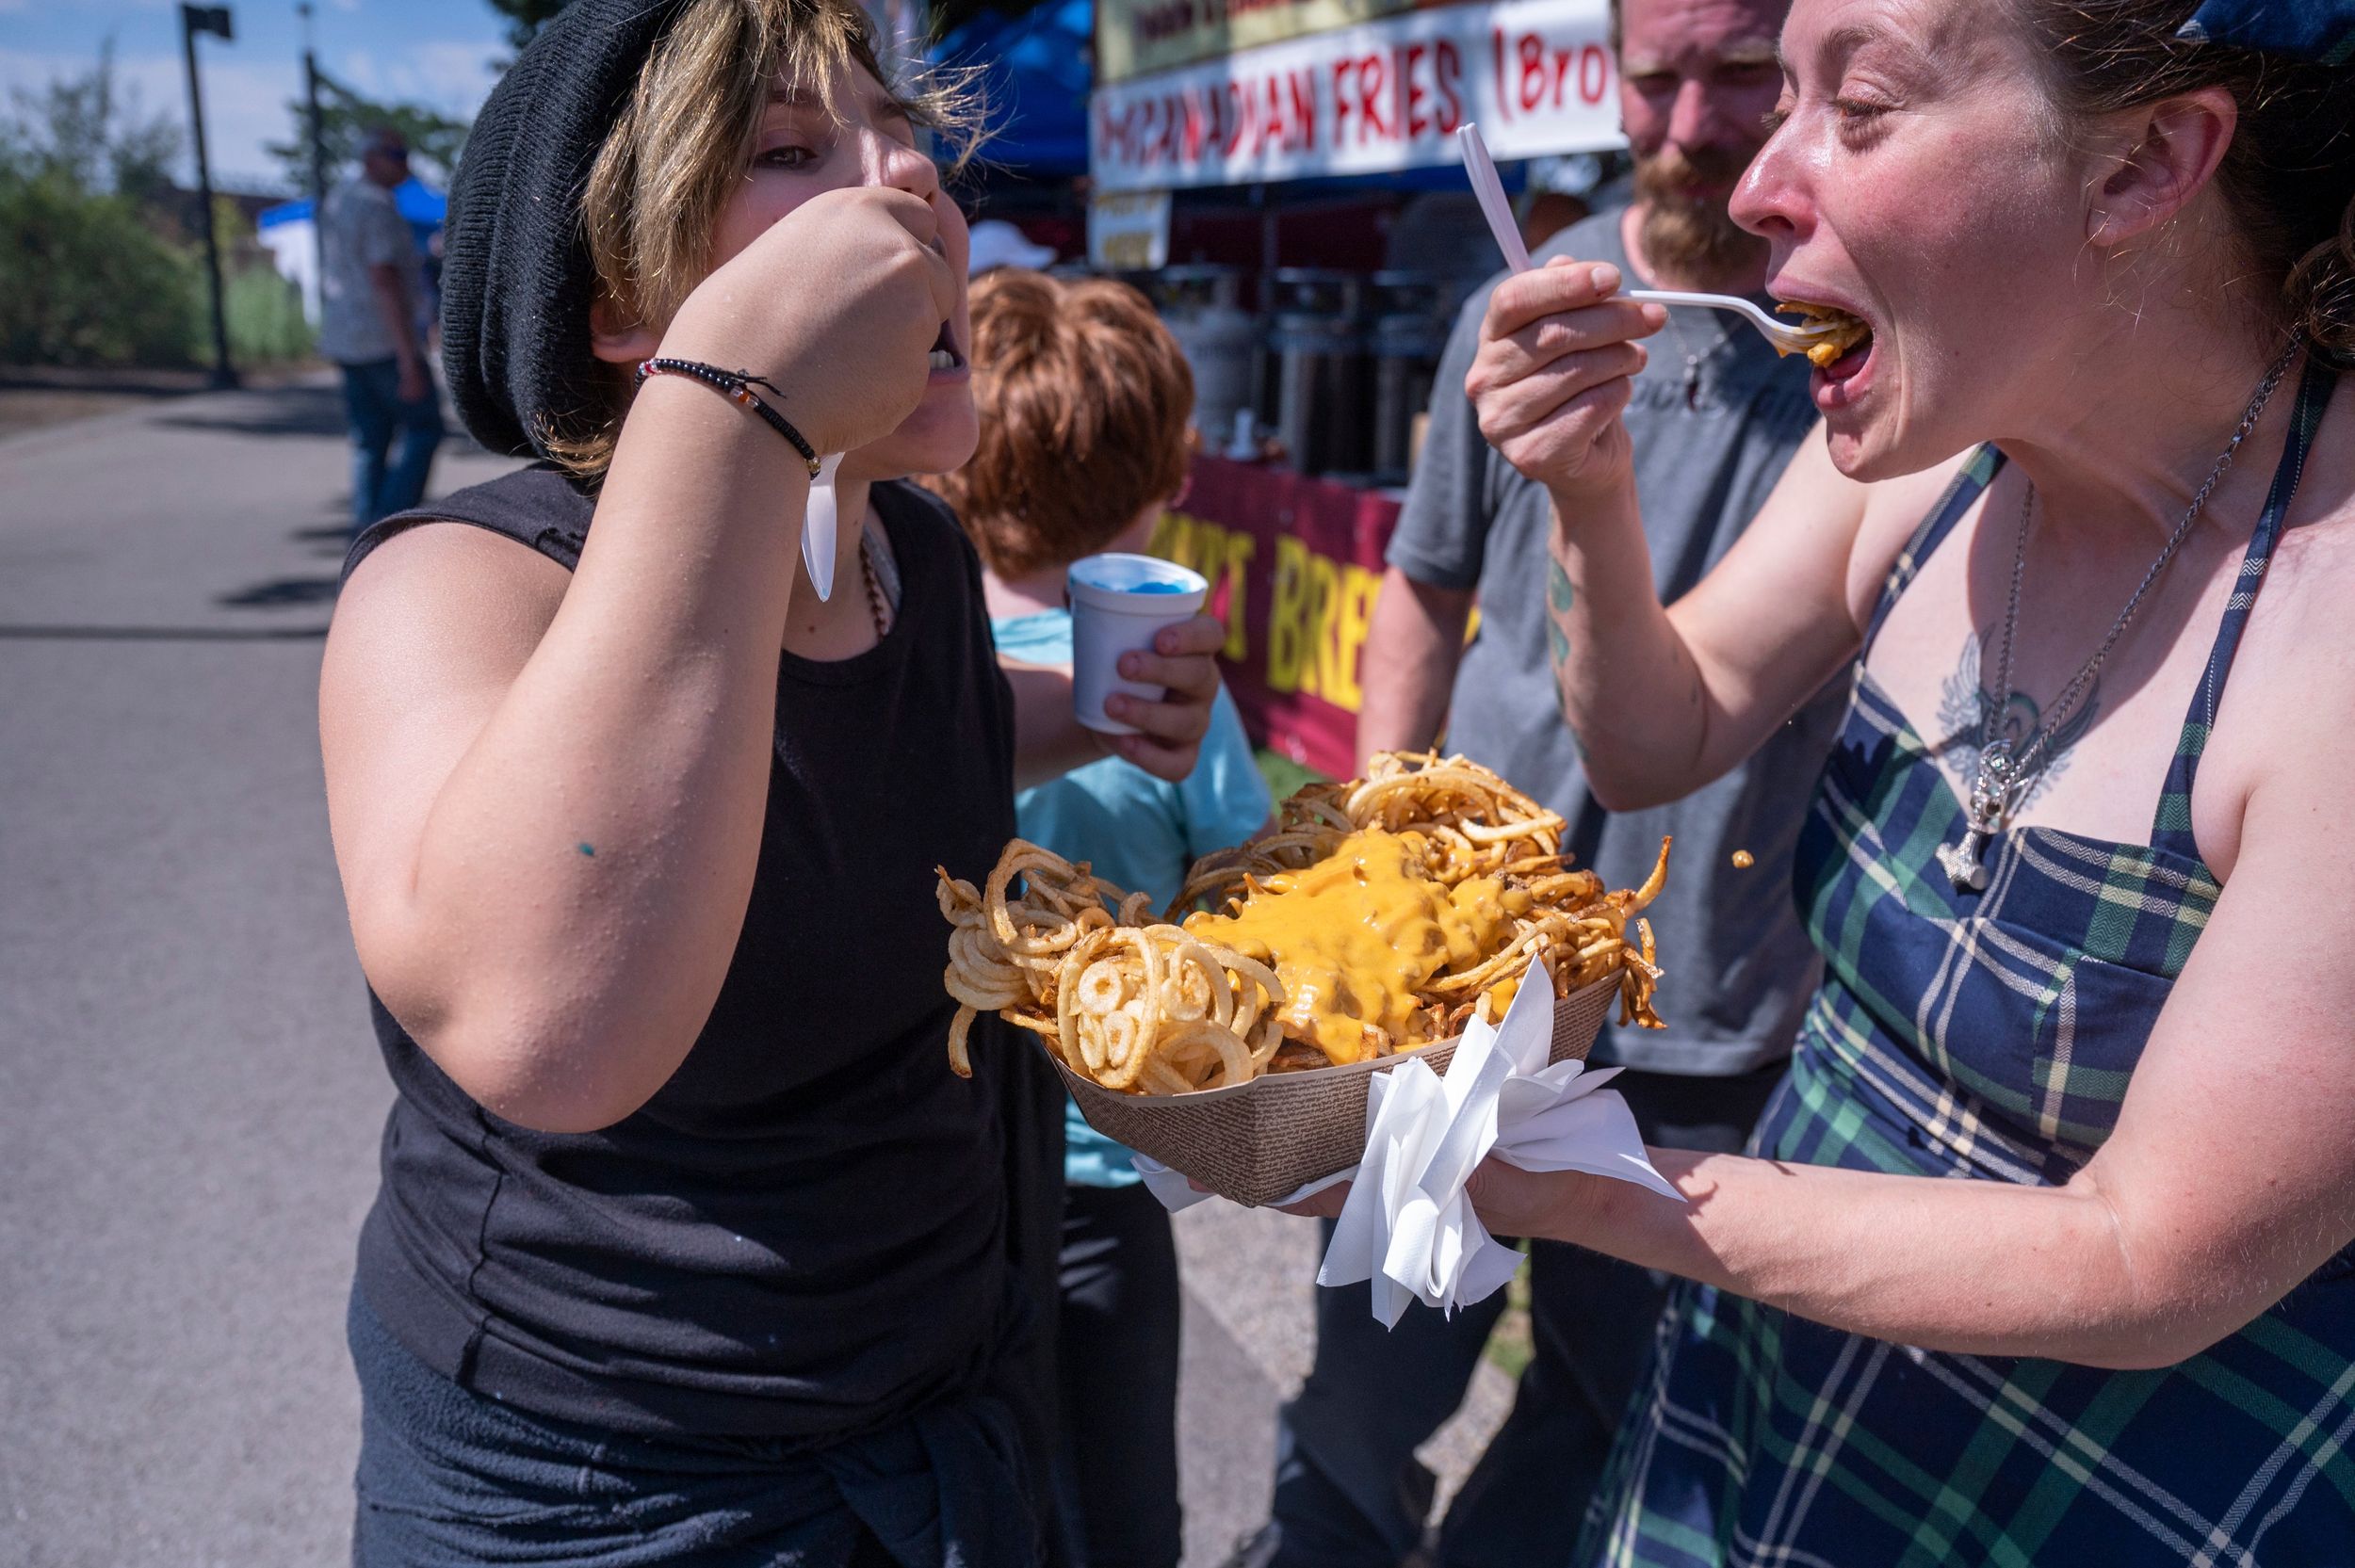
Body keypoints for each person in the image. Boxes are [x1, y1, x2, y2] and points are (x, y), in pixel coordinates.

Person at [1298, 0, 2355, 1560]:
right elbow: (1664, 728)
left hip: (2107, 1503)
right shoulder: (1937, 463)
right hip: (1758, 1423)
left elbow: (2150, 1261)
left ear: (2148, 161)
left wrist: (1550, 1174)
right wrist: (1591, 490)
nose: (1751, 185)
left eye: (1854, 109)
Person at [316, 2, 1231, 1563]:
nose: (904, 187)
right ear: (618, 304)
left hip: (950, 1395)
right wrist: (732, 405)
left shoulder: (912, 550)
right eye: (793, 154)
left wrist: (1087, 708)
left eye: (909, 138)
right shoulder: (461, 585)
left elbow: (865, 741)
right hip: (610, 1488)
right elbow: (548, 1025)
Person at [1239, 2, 1830, 1563]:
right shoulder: (1530, 304)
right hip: (1469, 987)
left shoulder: (1853, 354)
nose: (1695, 122)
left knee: (1602, 1405)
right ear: (1611, 74)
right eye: (1657, 77)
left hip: (1709, 1002)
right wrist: (1372, 856)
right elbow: (1423, 586)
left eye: (1740, 75)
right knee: (1372, 1370)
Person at [925, 267, 1275, 1568]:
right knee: (1123, 1511)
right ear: (1169, 483)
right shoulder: (1169, 690)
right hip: (1110, 1168)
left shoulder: (918, 662)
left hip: (935, 1167)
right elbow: (1248, 888)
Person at [317, 127, 443, 530]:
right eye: (396, 153)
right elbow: (384, 279)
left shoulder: (338, 201)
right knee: (424, 428)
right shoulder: (376, 206)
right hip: (383, 340)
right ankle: (388, 526)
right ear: (371, 159)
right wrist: (409, 359)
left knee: (371, 440)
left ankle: (364, 528)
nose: (405, 161)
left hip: (346, 338)